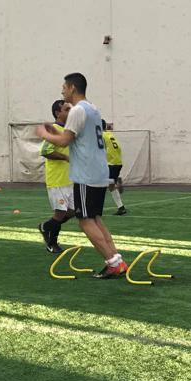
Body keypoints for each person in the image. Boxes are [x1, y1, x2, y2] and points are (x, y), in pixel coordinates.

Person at [37, 73, 127, 279]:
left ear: (72, 88)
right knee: (95, 219)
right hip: (99, 170)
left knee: (85, 221)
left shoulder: (78, 110)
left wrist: (44, 134)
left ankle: (113, 263)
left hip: (86, 173)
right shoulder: (93, 108)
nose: (62, 91)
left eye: (64, 87)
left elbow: (64, 141)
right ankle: (117, 260)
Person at [38, 100, 74, 253]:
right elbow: (45, 151)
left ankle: (46, 226)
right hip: (57, 180)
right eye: (66, 110)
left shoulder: (67, 131)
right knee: (60, 212)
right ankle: (52, 242)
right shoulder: (54, 130)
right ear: (57, 113)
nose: (70, 112)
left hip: (69, 179)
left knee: (73, 211)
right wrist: (65, 158)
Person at [102, 120, 126, 215]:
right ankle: (121, 208)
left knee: (101, 184)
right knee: (110, 185)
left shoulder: (101, 136)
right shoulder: (110, 134)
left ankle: (94, 208)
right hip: (117, 162)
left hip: (111, 164)